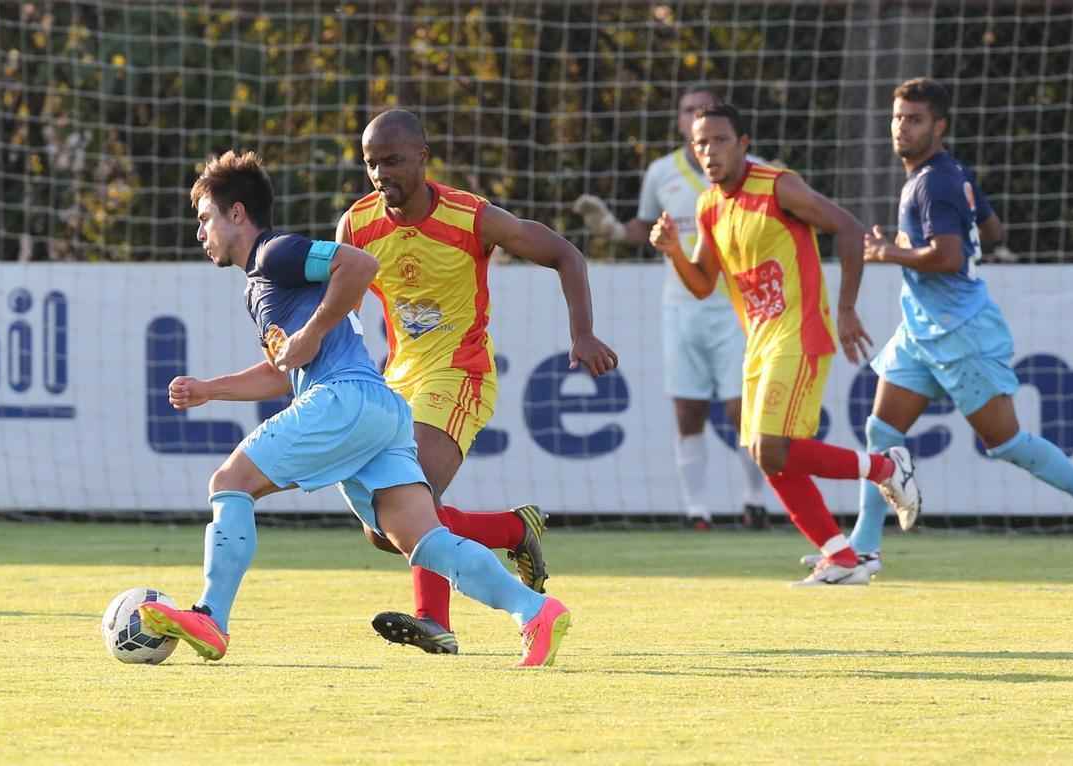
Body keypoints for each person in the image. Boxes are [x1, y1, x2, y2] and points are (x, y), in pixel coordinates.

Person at [137, 150, 571, 667]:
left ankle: (212, 616)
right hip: (379, 411)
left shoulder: (276, 252)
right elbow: (283, 371)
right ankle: (535, 611)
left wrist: (311, 331)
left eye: (205, 218)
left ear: (237, 214)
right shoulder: (261, 285)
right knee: (424, 541)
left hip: (343, 399)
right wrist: (211, 389)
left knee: (229, 484)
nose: (200, 232)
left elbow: (360, 264)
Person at [812, 77, 1073, 571]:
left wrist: (890, 251)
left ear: (940, 125)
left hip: (962, 332)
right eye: (897, 117)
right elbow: (994, 229)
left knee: (1005, 443)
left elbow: (950, 258)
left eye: (914, 119)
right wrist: (931, 229)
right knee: (881, 431)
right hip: (922, 331)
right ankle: (863, 549)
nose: (901, 127)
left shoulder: (934, 181)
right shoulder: (945, 174)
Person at [337, 109, 619, 652]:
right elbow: (339, 307)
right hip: (398, 379)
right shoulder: (357, 225)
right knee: (381, 529)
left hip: (460, 373)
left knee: (413, 490)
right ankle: (514, 531)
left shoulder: (471, 218)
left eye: (392, 161)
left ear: (423, 156)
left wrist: (582, 334)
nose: (380, 175)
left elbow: (564, 253)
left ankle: (434, 622)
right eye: (371, 164)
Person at [650, 103, 922, 586]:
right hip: (757, 341)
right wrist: (673, 251)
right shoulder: (709, 206)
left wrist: (845, 307)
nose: (708, 151)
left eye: (718, 140)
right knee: (766, 453)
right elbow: (702, 283)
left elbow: (849, 227)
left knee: (770, 449)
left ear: (743, 143)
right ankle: (839, 555)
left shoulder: (778, 186)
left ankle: (885, 467)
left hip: (799, 333)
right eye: (700, 143)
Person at [573, 86, 770, 530]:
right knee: (688, 410)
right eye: (688, 112)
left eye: (704, 111)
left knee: (743, 409)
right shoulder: (663, 171)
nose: (696, 119)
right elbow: (645, 227)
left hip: (737, 309)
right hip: (681, 307)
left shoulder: (755, 173)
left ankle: (754, 501)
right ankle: (696, 510)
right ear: (681, 122)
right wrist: (612, 229)